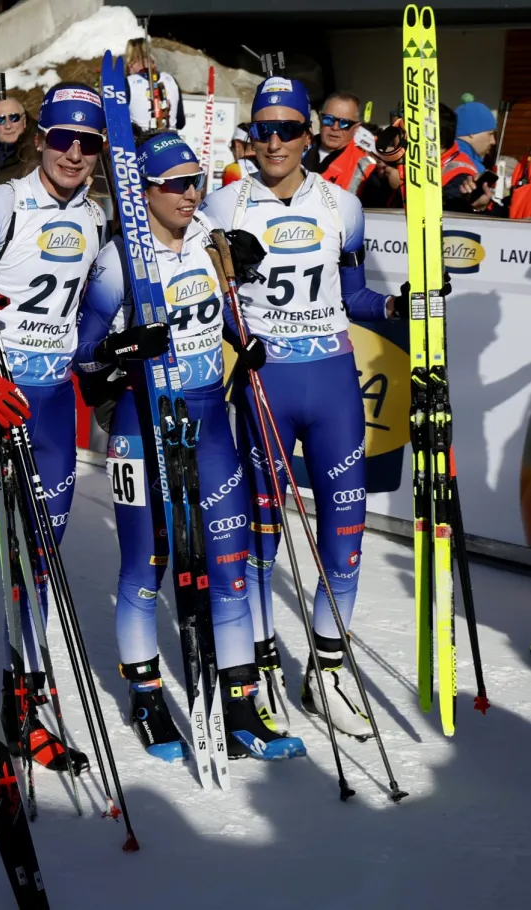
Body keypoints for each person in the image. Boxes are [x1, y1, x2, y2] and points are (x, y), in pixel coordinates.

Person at [77, 132, 306, 763]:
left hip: (207, 418)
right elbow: (84, 355)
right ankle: (148, 700)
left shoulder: (211, 239)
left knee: (229, 564)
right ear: (142, 190)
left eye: (194, 180)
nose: (188, 193)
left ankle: (238, 709)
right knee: (145, 564)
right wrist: (124, 350)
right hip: (140, 422)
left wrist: (243, 338)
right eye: (173, 184)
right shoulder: (120, 258)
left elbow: (224, 308)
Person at [201, 76, 399, 740]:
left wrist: (397, 307)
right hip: (266, 388)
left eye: (288, 128)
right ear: (248, 137)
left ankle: (328, 671)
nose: (276, 141)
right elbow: (207, 311)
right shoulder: (220, 205)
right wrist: (239, 334)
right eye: (264, 129)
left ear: (309, 135)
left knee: (343, 538)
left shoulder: (342, 205)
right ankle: (255, 665)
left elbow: (353, 296)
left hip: (333, 386)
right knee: (262, 537)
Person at [0, 82, 107, 776]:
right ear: (38, 140)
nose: (73, 152)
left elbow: (92, 310)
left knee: (36, 570)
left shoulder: (98, 217)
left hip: (49, 411)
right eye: (62, 138)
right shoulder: (0, 203)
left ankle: (21, 706)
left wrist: (100, 363)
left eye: (87, 143)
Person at [304, 91, 375, 196]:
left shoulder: (366, 165)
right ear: (320, 117)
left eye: (344, 123)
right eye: (328, 119)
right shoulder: (298, 147)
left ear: (356, 128)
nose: (335, 128)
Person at [454, 99, 496, 175]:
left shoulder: (446, 154)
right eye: (490, 134)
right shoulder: (470, 165)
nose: (493, 141)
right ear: (472, 132)